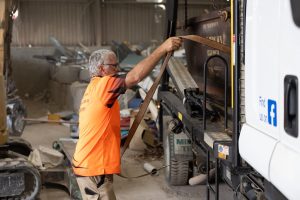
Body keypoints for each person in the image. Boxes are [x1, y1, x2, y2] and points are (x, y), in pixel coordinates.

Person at [72, 37, 182, 200]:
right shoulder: (103, 86)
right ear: (102, 69)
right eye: (114, 66)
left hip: (90, 166)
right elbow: (135, 77)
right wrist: (162, 48)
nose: (118, 69)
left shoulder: (94, 88)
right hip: (94, 170)